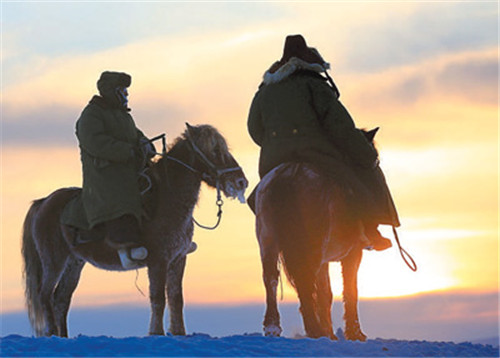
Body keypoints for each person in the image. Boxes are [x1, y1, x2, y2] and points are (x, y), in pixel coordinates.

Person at [247, 35, 400, 251]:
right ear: (308, 59)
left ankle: (274, 236)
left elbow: (254, 130)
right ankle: (371, 230)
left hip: (273, 160)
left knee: (258, 197)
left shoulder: (264, 90)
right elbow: (339, 126)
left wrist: (277, 143)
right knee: (365, 173)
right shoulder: (315, 84)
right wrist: (367, 154)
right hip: (316, 153)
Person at [74, 71, 155, 268]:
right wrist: (128, 151)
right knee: (121, 196)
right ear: (111, 91)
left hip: (128, 169)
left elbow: (138, 136)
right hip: (105, 173)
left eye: (126, 91)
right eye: (122, 90)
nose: (126, 95)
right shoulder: (91, 114)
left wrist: (147, 146)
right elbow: (95, 143)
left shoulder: (123, 117)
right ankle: (124, 244)